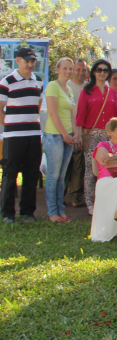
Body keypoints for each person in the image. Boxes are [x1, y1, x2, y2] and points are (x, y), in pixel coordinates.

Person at [0, 47, 44, 224]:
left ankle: (27, 212)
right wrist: (10, 126)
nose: (30, 64)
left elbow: (38, 106)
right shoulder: (6, 82)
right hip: (13, 136)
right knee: (10, 174)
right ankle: (7, 213)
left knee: (31, 173)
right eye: (27, 60)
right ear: (17, 60)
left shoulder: (38, 81)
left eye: (33, 61)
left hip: (34, 134)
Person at [75, 59, 117, 216]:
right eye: (99, 70)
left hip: (107, 136)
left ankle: (106, 200)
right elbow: (80, 115)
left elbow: (115, 117)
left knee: (108, 167)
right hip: (91, 134)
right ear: (93, 72)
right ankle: (90, 203)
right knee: (90, 169)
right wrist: (79, 135)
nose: (102, 73)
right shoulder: (86, 92)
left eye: (106, 70)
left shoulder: (112, 92)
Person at [43, 58, 76, 222]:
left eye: (71, 68)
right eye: (65, 68)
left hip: (68, 136)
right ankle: (52, 212)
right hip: (55, 136)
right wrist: (64, 134)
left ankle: (61, 211)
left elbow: (71, 113)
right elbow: (53, 113)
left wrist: (74, 132)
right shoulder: (52, 86)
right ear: (57, 69)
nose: (68, 71)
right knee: (53, 176)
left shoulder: (69, 89)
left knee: (62, 176)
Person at [64, 58, 89, 208]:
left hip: (82, 131)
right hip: (66, 130)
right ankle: (60, 195)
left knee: (79, 165)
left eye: (84, 70)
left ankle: (76, 197)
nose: (80, 73)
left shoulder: (88, 88)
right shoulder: (65, 86)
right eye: (78, 69)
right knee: (65, 165)